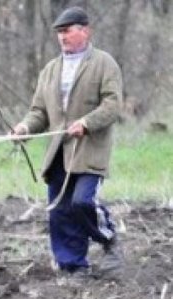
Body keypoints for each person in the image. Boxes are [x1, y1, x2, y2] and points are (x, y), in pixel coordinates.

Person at [12, 6, 124, 281]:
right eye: (59, 33)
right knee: (61, 212)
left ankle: (108, 239)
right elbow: (39, 111)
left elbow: (113, 104)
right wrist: (25, 127)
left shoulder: (104, 63)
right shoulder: (50, 70)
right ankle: (74, 267)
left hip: (89, 151)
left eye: (67, 31)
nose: (62, 37)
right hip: (58, 152)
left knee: (82, 202)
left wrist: (86, 123)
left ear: (85, 31)